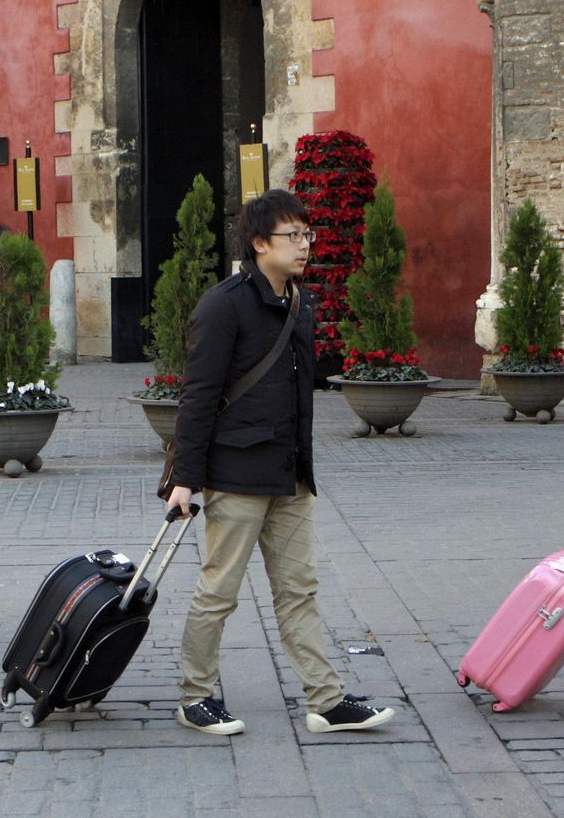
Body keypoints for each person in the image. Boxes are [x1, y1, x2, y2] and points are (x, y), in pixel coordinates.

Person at [165, 189, 396, 736]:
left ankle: (327, 700)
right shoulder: (224, 305)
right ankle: (195, 696)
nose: (304, 245)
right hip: (237, 475)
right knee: (218, 592)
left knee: (299, 590)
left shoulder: (299, 301)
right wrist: (184, 479)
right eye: (292, 236)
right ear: (259, 242)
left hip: (290, 474)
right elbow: (198, 397)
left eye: (306, 235)